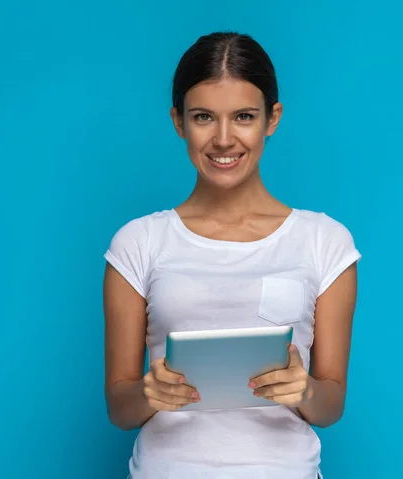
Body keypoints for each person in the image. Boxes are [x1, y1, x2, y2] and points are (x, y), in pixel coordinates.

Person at [102, 31, 361, 479]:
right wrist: (150, 394)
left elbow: (331, 402)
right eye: (203, 117)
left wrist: (304, 391)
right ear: (179, 122)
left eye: (244, 116)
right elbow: (119, 408)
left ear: (271, 119)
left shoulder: (325, 241)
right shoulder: (138, 242)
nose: (224, 139)